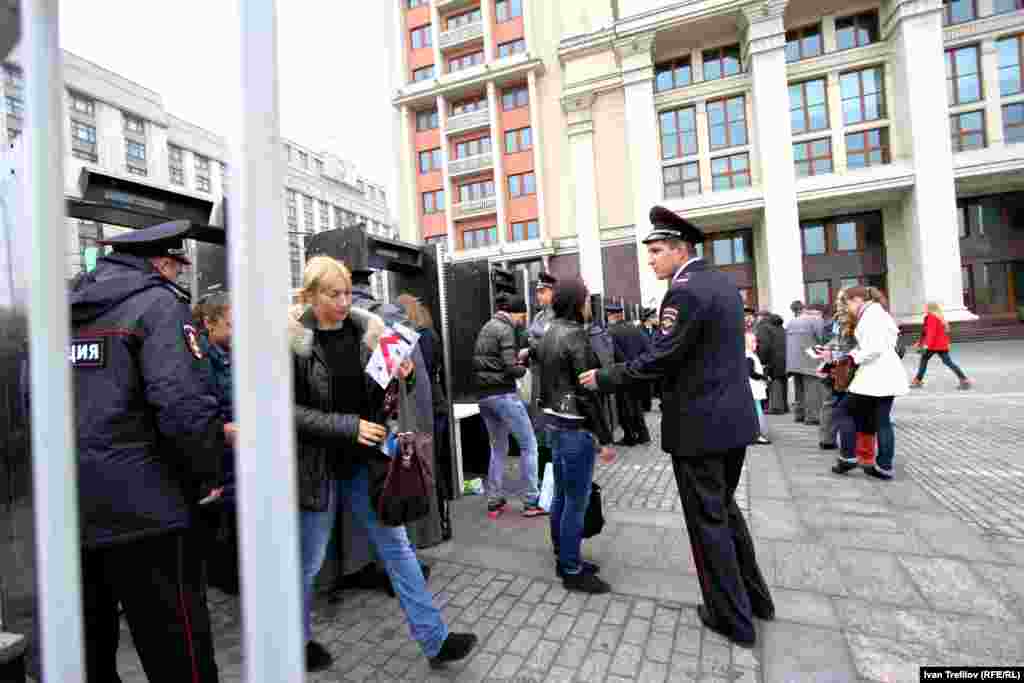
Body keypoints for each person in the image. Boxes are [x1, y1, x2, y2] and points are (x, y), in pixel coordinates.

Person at [580, 206, 774, 647]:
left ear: (680, 250)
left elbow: (662, 357)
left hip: (700, 427)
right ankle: (757, 600)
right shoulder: (722, 283)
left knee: (708, 523)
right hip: (732, 421)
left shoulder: (683, 292)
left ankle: (732, 618)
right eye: (649, 251)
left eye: (656, 251)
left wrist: (606, 377)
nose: (650, 259)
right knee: (724, 511)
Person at [289, 256, 476, 672]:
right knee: (308, 562)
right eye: (332, 294)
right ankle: (295, 641)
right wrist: (346, 427)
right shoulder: (293, 342)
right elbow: (287, 411)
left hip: (366, 465)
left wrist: (404, 375)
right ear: (310, 295)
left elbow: (384, 392)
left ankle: (435, 640)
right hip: (317, 469)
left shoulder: (368, 333)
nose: (342, 302)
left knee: (399, 550)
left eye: (344, 293)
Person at [69, 220, 234, 682]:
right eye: (178, 268)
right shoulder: (159, 306)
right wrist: (207, 480)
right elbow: (183, 408)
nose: (180, 278)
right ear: (161, 263)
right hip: (152, 515)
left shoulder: (62, 308)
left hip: (72, 512)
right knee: (177, 652)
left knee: (90, 654)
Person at [536, 278, 616, 593]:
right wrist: (606, 438)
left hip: (554, 424)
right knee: (575, 501)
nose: (587, 307)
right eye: (585, 301)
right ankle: (571, 568)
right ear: (577, 303)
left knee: (560, 495)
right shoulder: (576, 337)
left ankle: (564, 555)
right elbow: (588, 392)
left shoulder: (548, 332)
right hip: (575, 428)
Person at [819, 287, 908, 480]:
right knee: (882, 420)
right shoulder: (880, 313)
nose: (848, 308)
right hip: (887, 372)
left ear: (858, 299)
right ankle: (883, 465)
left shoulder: (870, 316)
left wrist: (852, 356)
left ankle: (848, 457)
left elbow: (872, 349)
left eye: (849, 303)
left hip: (874, 374)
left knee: (843, 411)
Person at [472, 293, 545, 518]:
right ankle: (532, 501)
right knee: (529, 445)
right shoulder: (505, 330)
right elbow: (510, 368)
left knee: (498, 448)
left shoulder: (488, 326)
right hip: (503, 394)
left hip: (484, 397)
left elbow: (491, 361)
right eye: (522, 315)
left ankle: (494, 501)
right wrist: (524, 368)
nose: (523, 320)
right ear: (515, 313)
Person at [194, 292, 241, 596]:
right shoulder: (199, 356)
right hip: (218, 448)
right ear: (210, 324)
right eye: (232, 325)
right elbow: (203, 403)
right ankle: (223, 574)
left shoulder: (232, 351)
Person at [606, 302, 651, 445]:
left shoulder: (611, 331)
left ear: (612, 316)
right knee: (636, 405)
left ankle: (630, 437)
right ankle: (643, 435)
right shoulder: (634, 328)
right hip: (637, 372)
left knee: (624, 407)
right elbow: (647, 347)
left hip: (623, 373)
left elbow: (616, 355)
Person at [818, 289, 857, 455]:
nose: (838, 304)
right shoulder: (844, 320)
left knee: (832, 402)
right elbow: (840, 342)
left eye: (840, 301)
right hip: (842, 364)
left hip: (841, 363)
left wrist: (830, 350)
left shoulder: (849, 320)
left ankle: (829, 439)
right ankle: (834, 441)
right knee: (838, 403)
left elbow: (840, 342)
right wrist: (829, 350)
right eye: (838, 301)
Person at [911, 302, 972, 390]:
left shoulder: (931, 317)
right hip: (941, 346)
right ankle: (964, 380)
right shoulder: (939, 317)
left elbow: (931, 333)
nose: (925, 309)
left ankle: (918, 381)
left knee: (924, 361)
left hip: (932, 346)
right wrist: (920, 342)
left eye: (926, 307)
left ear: (929, 308)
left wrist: (926, 345)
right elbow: (930, 333)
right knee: (948, 362)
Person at [786, 304, 828, 425]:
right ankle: (812, 417)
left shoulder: (793, 321)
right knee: (812, 389)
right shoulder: (816, 320)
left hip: (793, 361)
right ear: (818, 312)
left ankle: (799, 414)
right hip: (809, 359)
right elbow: (822, 339)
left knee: (799, 389)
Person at [757, 314, 788, 414]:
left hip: (772, 358)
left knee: (774, 380)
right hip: (784, 357)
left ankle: (776, 407)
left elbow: (764, 346)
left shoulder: (764, 328)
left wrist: (762, 360)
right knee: (782, 380)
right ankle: (784, 405)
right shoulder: (781, 327)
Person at [745, 332, 771, 445]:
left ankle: (755, 433)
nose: (756, 344)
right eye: (753, 341)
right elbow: (750, 373)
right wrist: (764, 377)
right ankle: (757, 434)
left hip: (753, 387)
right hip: (754, 388)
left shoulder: (749, 354)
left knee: (756, 410)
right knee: (757, 411)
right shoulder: (749, 355)